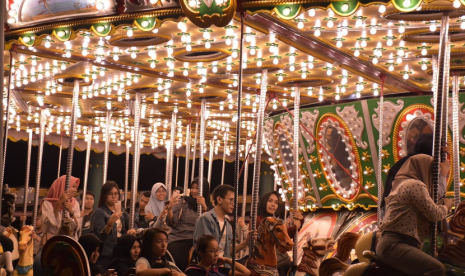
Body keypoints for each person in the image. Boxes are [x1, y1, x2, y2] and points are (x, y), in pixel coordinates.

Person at [377, 154, 454, 276]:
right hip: (395, 243)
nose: (433, 176)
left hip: (399, 242)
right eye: (432, 171)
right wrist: (447, 206)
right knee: (436, 269)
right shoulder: (414, 185)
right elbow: (434, 214)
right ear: (424, 168)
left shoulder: (404, 184)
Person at [380, 134, 448, 220]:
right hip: (404, 219)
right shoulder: (423, 166)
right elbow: (435, 192)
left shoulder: (404, 162)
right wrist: (444, 173)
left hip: (389, 211)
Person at [166, 177, 213, 271]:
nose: (194, 191)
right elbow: (172, 222)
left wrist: (204, 207)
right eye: (192, 188)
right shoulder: (183, 202)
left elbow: (208, 225)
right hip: (178, 237)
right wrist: (170, 209)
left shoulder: (210, 207)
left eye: (198, 188)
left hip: (196, 239)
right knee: (177, 256)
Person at [194, 184, 248, 262]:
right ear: (219, 199)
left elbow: (227, 252)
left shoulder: (228, 225)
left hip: (222, 266)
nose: (233, 203)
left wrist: (246, 242)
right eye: (231, 200)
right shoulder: (206, 219)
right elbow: (205, 250)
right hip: (210, 267)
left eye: (235, 201)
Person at [91, 181, 133, 271]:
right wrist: (111, 221)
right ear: (104, 195)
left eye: (116, 194)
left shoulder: (123, 212)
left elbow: (132, 226)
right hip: (106, 253)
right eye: (110, 194)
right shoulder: (99, 212)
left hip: (121, 252)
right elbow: (100, 236)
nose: (114, 197)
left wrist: (132, 231)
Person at [41, 175, 81, 243]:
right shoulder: (47, 203)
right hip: (53, 240)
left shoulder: (75, 203)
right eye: (73, 187)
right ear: (63, 187)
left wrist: (71, 212)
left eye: (76, 187)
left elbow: (76, 227)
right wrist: (59, 203)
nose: (75, 190)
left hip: (70, 241)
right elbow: (51, 222)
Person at [186, 235, 250, 276]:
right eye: (212, 251)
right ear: (201, 253)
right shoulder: (192, 271)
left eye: (217, 250)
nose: (216, 254)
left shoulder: (218, 270)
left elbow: (246, 272)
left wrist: (227, 260)